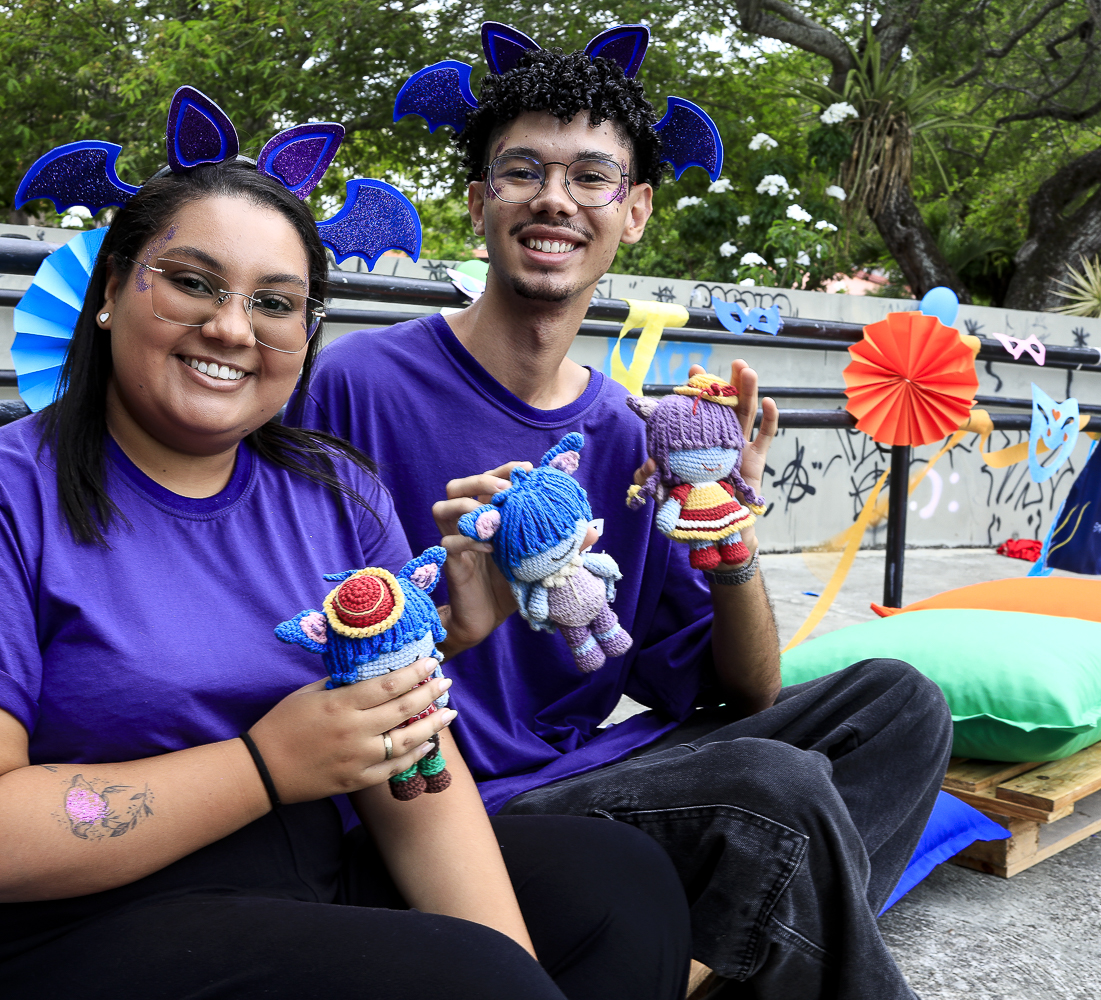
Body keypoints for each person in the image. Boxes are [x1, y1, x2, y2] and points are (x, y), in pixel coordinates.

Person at [0, 128, 691, 999]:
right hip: (44, 936)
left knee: (616, 884)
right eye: (191, 283)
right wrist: (264, 765)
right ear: (109, 293)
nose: (230, 327)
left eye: (275, 303)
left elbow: (409, 758)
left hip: (294, 883)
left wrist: (515, 972)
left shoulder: (338, 493)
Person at [289, 43, 951, 1000]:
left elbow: (748, 692)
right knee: (778, 793)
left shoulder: (627, 431)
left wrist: (724, 526)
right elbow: (306, 638)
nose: (554, 198)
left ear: (634, 212)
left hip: (587, 772)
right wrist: (448, 597)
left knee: (900, 703)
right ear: (478, 205)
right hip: (447, 806)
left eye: (591, 177)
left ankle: (703, 970)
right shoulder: (357, 384)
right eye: (524, 171)